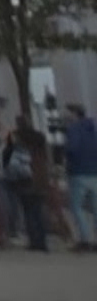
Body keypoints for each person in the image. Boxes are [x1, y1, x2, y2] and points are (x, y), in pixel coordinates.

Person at [6, 115, 51, 252]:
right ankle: (42, 241)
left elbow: (11, 157)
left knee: (28, 210)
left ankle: (34, 241)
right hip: (40, 176)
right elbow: (45, 156)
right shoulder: (40, 137)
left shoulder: (17, 138)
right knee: (38, 210)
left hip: (24, 177)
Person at [63, 103, 97, 251]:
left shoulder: (74, 129)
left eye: (68, 113)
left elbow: (72, 148)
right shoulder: (92, 128)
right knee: (95, 207)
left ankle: (85, 239)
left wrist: (67, 158)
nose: (65, 116)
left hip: (78, 172)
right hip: (94, 171)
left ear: (74, 114)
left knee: (77, 207)